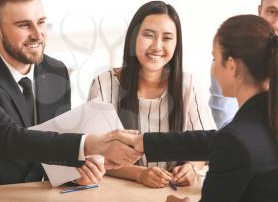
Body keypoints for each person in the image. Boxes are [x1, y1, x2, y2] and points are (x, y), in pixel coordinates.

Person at [0, 0, 141, 188]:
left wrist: (75, 171)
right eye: (23, 25)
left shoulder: (56, 70)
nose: (38, 35)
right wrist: (91, 144)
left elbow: (53, 139)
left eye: (41, 22)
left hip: (41, 193)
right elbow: (7, 138)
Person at [112, 14, 278, 202]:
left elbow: (227, 143)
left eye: (214, 58)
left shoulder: (236, 139)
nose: (213, 69)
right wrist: (144, 142)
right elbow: (212, 140)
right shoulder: (265, 119)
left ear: (232, 66)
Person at [88, 1, 216, 188]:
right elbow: (94, 155)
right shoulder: (104, 83)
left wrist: (191, 167)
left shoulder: (189, 85)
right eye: (149, 35)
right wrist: (139, 174)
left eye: (167, 38)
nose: (157, 46)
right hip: (117, 193)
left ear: (176, 43)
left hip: (171, 192)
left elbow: (208, 146)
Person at [210, 0, 278, 129]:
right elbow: (228, 132)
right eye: (272, 11)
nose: (276, 23)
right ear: (260, 11)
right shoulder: (226, 61)